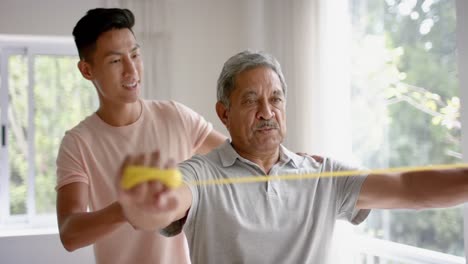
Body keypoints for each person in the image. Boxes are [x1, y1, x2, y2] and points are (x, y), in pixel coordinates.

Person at [117, 50, 468, 263]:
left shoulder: (321, 173)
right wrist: (146, 201)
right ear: (223, 114)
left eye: (277, 98)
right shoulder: (200, 174)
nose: (267, 111)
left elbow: (408, 187)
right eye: (251, 100)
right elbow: (165, 203)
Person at [55, 8, 226, 264]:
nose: (131, 70)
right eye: (115, 61)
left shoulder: (176, 117)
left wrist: (290, 158)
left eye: (135, 54)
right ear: (87, 70)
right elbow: (70, 234)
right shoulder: (78, 142)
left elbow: (239, 160)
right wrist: (127, 209)